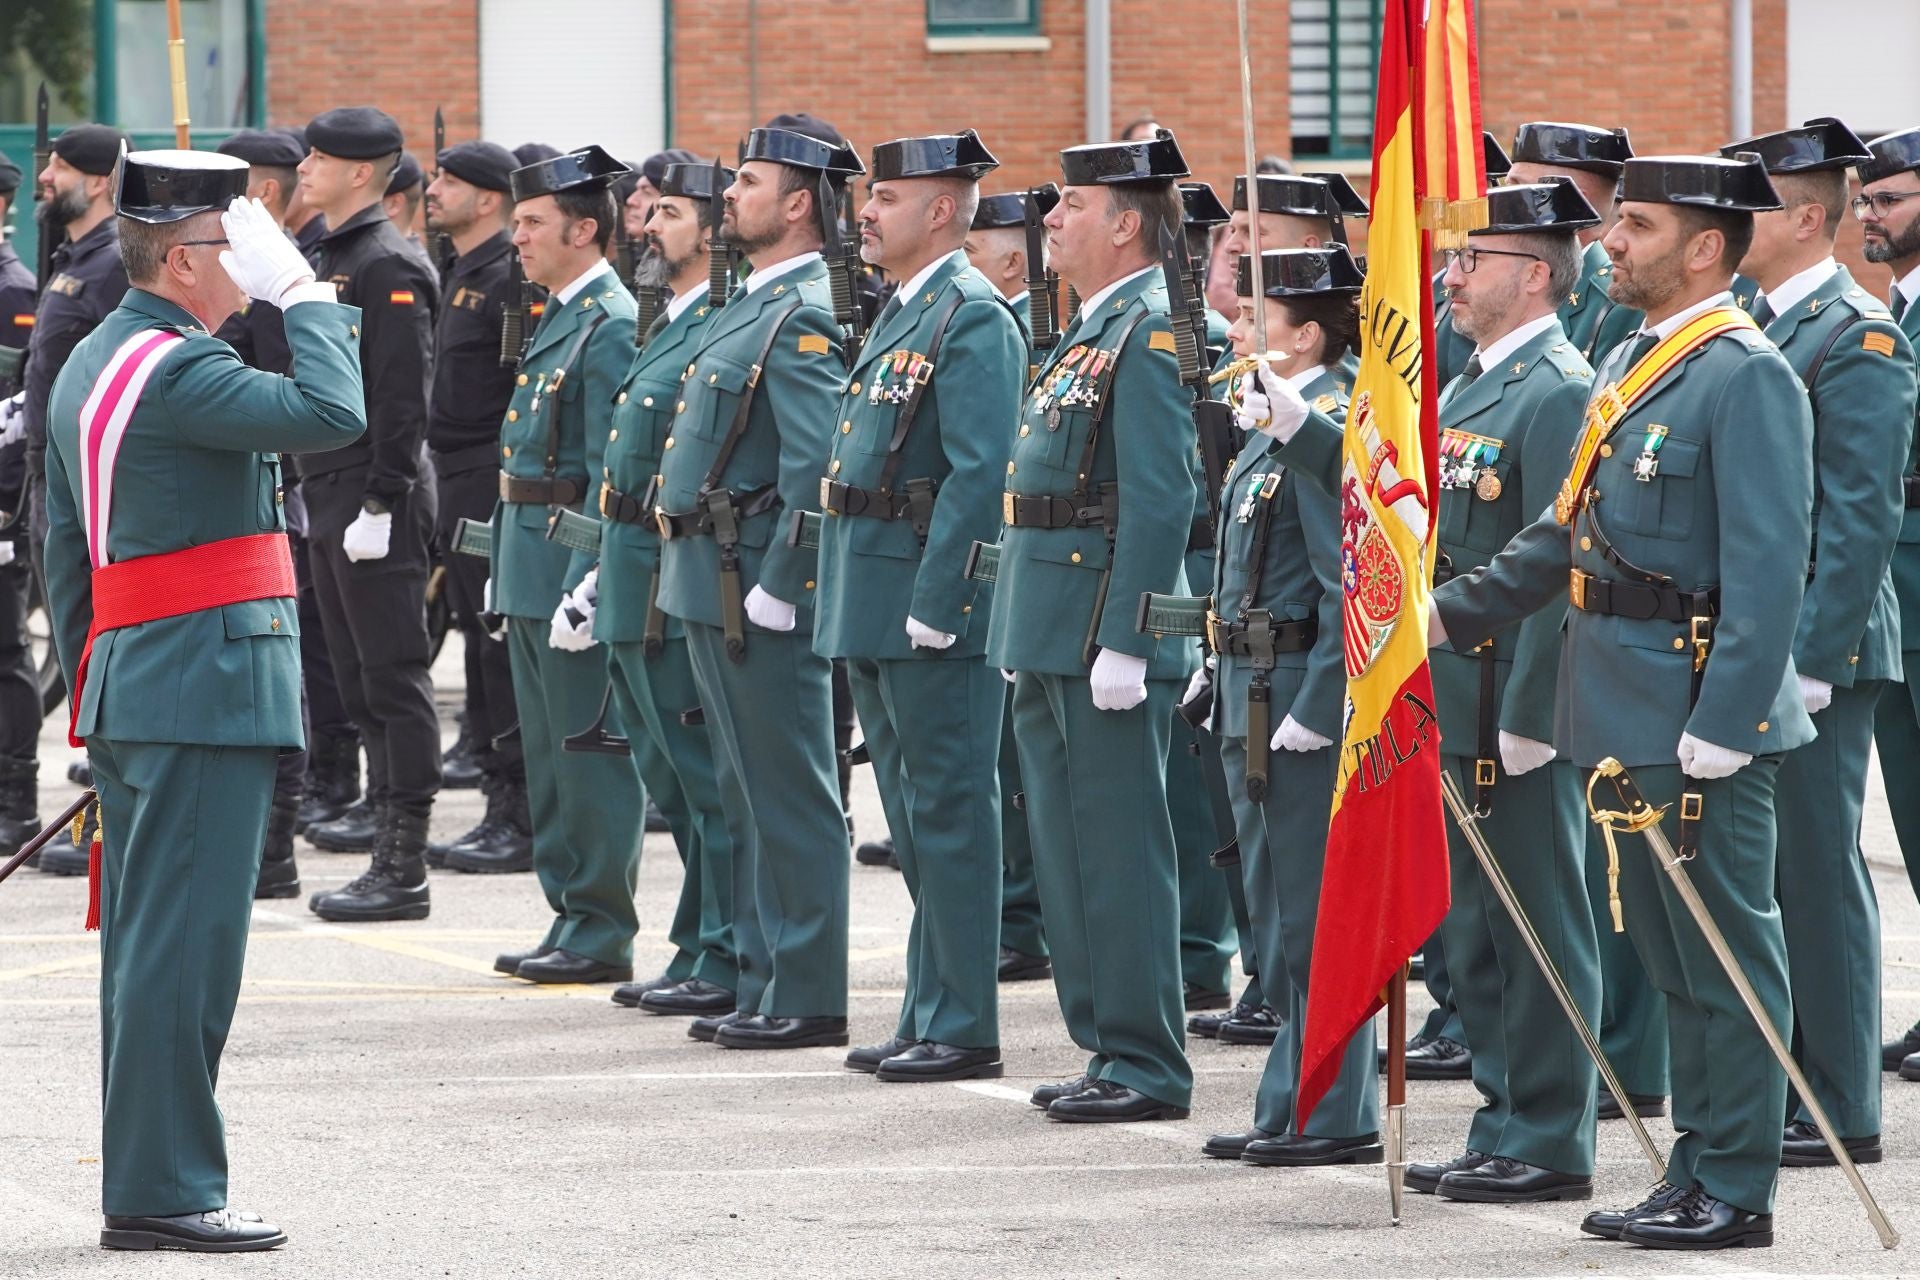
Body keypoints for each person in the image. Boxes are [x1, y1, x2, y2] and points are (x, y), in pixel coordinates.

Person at [1431, 152, 1811, 1249]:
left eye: (1635, 226)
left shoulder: (1743, 373)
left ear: (1703, 248)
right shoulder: (1636, 368)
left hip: (1695, 713)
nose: (1611, 243)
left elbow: (1770, 564)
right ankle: (1694, 1163)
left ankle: (1736, 1185)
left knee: (1724, 958)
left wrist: (1727, 721)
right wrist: (1446, 616)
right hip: (1623, 705)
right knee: (1672, 958)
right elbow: (1559, 536)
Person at [43, 149, 364, 1252]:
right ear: (186, 259)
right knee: (186, 950)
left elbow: (63, 553)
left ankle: (151, 1172)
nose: (255, 264)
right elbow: (332, 409)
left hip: (147, 677)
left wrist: (103, 675)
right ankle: (166, 1187)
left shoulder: (100, 354)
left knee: (150, 947)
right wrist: (308, 296)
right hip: (202, 684)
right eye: (238, 245)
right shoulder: (179, 371)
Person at [1398, 180, 1606, 1202]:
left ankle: (1552, 1132)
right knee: (1476, 925)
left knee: (1539, 920)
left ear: (1532, 273)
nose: (1451, 272)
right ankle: (1502, 1112)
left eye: (1470, 258)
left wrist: (1533, 713)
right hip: (1451, 693)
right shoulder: (1474, 383)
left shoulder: (1559, 386)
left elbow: (1556, 567)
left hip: (1508, 708)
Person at [986, 128, 1196, 1122]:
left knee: (1117, 851)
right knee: (1070, 850)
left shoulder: (1148, 329)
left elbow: (1160, 496)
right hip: (1049, 626)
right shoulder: (1091, 327)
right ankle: (1108, 1042)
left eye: (1070, 204)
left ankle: (1147, 1057)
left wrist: (1131, 635)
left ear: (1124, 223)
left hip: (1099, 635)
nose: (1052, 219)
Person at [816, 131, 1023, 1082]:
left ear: (941, 211)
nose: (865, 212)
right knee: (911, 817)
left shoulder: (971, 316)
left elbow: (979, 478)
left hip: (927, 608)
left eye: (887, 197)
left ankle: (964, 1022)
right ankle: (926, 1005)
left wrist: (945, 600)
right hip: (876, 596)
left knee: (948, 816)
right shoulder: (908, 309)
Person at [1729, 120, 1914, 1165]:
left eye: (1750, 203)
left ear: (1807, 216)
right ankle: (1793, 1073)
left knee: (1818, 866)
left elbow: (1859, 517)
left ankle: (1844, 1100)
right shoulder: (1754, 323)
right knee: (1771, 871)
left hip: (1819, 649)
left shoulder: (1859, 333)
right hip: (1763, 638)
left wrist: (1807, 655)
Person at [651, 124, 857, 1050]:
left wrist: (789, 580)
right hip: (709, 574)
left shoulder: (805, 309)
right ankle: (765, 975)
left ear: (800, 202)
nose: (729, 195)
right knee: (743, 790)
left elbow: (817, 462)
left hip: (754, 583)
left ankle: (807, 988)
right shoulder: (750, 303)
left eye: (748, 181)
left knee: (790, 789)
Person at [1196, 244, 1380, 1166]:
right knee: (1273, 916)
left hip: (1295, 701)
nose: (1233, 332)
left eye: (1252, 323)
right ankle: (1292, 1095)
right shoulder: (1270, 424)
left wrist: (1321, 700)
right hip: (1246, 690)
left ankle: (1335, 1108)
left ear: (1306, 336)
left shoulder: (1329, 425)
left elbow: (1347, 576)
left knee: (1312, 913)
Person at [485, 145, 644, 984]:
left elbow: (605, 467)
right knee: (547, 756)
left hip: (564, 569)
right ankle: (569, 914)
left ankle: (600, 924)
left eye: (533, 223)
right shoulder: (559, 312)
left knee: (588, 754)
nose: (518, 237)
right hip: (527, 557)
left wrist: (588, 578)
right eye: (515, 223)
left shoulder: (610, 320)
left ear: (584, 229)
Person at [594, 160, 739, 1015]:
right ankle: (697, 938)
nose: (646, 226)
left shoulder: (719, 324)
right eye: (650, 213)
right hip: (627, 566)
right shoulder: (668, 323)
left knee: (703, 779)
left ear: (716, 232)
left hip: (669, 574)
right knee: (672, 777)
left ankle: (722, 949)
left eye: (670, 213)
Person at [294, 106, 444, 921]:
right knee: (356, 678)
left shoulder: (387, 263)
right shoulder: (334, 254)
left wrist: (384, 498)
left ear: (361, 172)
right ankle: (384, 847)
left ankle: (403, 862)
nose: (304, 168)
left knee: (392, 677)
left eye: (318, 158)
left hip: (368, 493)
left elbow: (400, 399)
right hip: (329, 487)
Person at [212, 126, 327, 901]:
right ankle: (265, 848)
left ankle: (278, 850)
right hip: (250, 489)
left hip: (286, 490)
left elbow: (316, 398)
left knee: (285, 678)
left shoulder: (284, 275)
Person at [417, 139, 535, 874]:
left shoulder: (509, 279)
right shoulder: (457, 270)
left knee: (496, 650)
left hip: (488, 480)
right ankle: (501, 802)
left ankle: (516, 815)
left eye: (448, 181)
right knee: (472, 633)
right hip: (451, 478)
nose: (431, 190)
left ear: (489, 198)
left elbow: (521, 390)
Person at [18, 123, 130, 877]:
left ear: (98, 181)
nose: (47, 176)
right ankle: (100, 811)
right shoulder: (71, 260)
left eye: (60, 166)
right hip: (48, 481)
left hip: (85, 487)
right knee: (78, 651)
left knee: (101, 655)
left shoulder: (116, 263)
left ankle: (109, 821)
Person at [962, 184, 1057, 985]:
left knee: (1021, 767)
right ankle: (1018, 913)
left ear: (1014, 253)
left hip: (1031, 559)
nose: (967, 252)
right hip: (1006, 559)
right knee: (1005, 760)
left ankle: (1024, 916)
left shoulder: (1016, 325)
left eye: (978, 240)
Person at [1859, 125, 1920, 1086]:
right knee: (1911, 805)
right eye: (1867, 201)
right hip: (1898, 580)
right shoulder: (1892, 311)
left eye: (1893, 200)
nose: (1872, 215)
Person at [0, 146, 41, 860]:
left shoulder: (14, 291)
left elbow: (19, 409)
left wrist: (7, 511)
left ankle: (16, 800)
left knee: (4, 655)